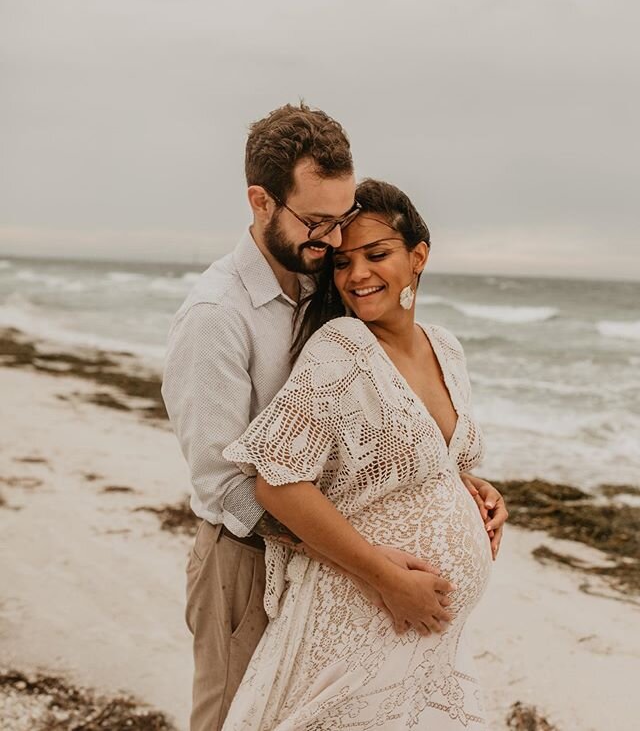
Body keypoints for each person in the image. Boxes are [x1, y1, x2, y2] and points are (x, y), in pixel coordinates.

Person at [162, 103, 508, 731]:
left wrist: (453, 486)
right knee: (234, 716)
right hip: (244, 562)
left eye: (340, 221)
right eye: (318, 223)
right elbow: (232, 484)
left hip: (343, 578)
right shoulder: (217, 316)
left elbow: (367, 432)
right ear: (261, 202)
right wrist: (371, 562)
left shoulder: (316, 282)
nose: (334, 247)